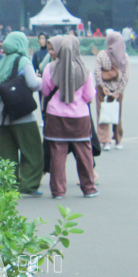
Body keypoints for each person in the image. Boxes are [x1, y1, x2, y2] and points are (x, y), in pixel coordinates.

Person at [42, 35, 97, 198]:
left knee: (57, 155)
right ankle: (89, 188)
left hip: (55, 116)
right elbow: (89, 96)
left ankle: (58, 191)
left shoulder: (49, 68)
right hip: (80, 117)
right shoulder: (85, 70)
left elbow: (45, 92)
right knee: (84, 153)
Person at [0, 32, 44, 195]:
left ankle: (8, 185)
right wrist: (43, 80)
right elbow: (33, 84)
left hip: (1, 112)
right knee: (33, 150)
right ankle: (28, 184)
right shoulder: (23, 60)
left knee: (7, 153)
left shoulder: (2, 61)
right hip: (20, 112)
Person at [95, 31, 130, 150]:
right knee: (117, 113)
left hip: (102, 90)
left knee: (103, 114)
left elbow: (97, 72)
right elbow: (126, 76)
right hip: (117, 90)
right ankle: (118, 140)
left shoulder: (102, 54)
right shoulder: (125, 57)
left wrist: (103, 86)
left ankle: (105, 141)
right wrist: (119, 90)